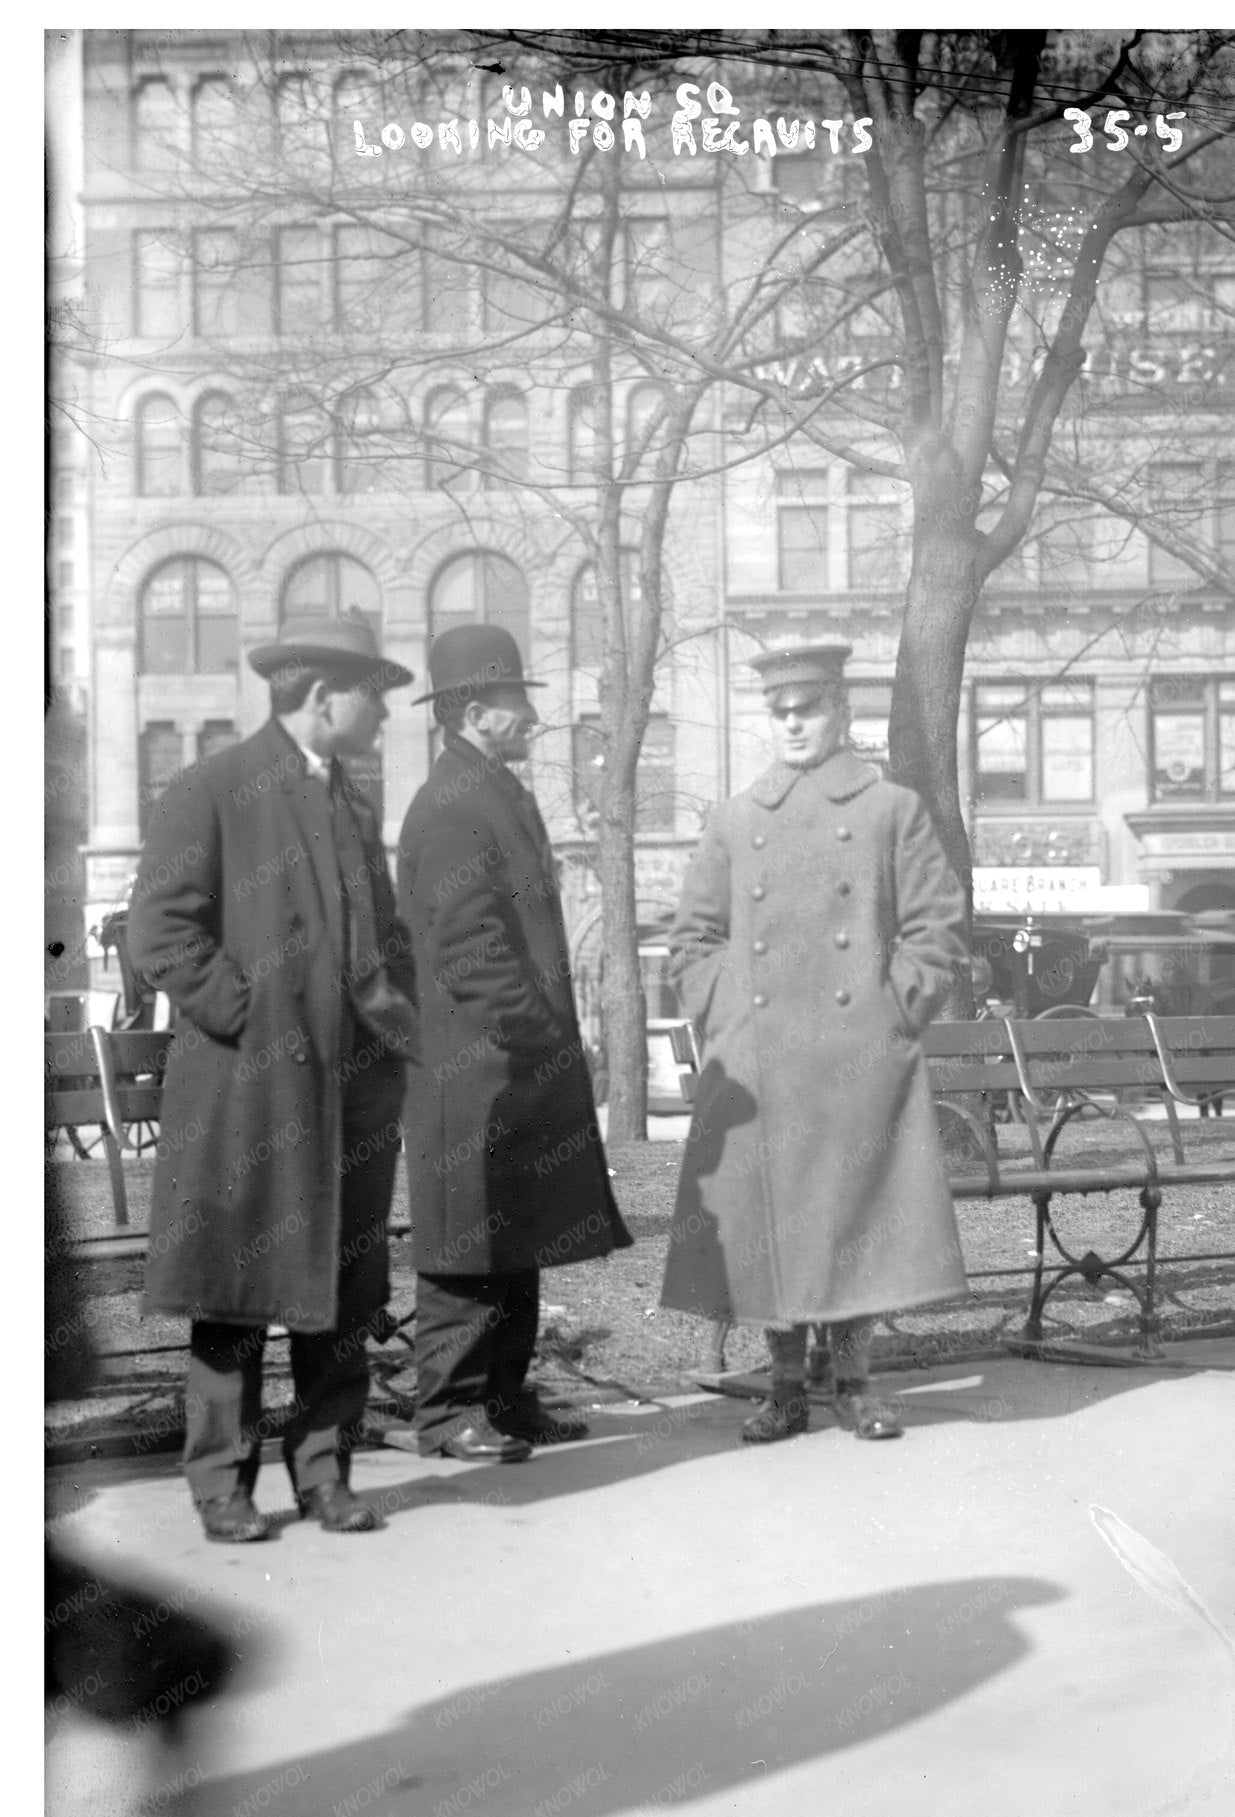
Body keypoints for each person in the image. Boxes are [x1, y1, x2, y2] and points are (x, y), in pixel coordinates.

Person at [127, 611, 418, 1542]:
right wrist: (255, 1021)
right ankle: (222, 1487)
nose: (383, 715)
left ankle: (326, 1476)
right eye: (375, 696)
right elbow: (161, 933)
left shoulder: (351, 800)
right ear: (322, 694)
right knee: (236, 1293)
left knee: (341, 1287)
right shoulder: (210, 787)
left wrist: (399, 1025)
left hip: (351, 1091)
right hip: (250, 1092)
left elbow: (382, 939)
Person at [660, 644, 970, 1443]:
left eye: (810, 708)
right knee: (773, 1229)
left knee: (852, 1217)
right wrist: (731, 1015)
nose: (793, 723)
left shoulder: (889, 809)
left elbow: (939, 929)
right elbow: (692, 938)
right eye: (780, 710)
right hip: (763, 1061)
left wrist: (889, 1009)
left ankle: (857, 1382)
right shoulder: (735, 818)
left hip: (854, 1055)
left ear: (842, 712)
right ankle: (786, 1384)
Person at [399, 624, 632, 1459]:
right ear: (473, 713)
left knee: (514, 1237)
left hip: (510, 1066)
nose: (532, 715)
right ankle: (447, 1413)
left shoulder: (489, 791)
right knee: (466, 1248)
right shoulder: (454, 806)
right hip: (477, 1071)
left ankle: (502, 1396)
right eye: (516, 699)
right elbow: (471, 955)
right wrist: (541, 1035)